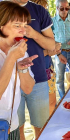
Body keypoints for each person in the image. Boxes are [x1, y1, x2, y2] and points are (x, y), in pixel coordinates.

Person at [12, 0, 55, 139]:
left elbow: (51, 45)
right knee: (15, 130)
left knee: (41, 128)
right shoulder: (3, 8)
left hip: (38, 78)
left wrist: (34, 34)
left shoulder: (39, 10)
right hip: (9, 82)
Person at [0, 1, 38, 139]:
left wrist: (22, 70)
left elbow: (28, 89)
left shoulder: (19, 50)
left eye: (24, 25)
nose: (23, 30)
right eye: (17, 26)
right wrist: (11, 59)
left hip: (12, 126)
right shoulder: (15, 53)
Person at [31, 0, 61, 116]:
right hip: (35, 71)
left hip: (47, 67)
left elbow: (51, 43)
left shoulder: (45, 21)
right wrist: (47, 51)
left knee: (51, 102)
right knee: (42, 107)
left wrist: (55, 50)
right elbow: (25, 54)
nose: (44, 11)